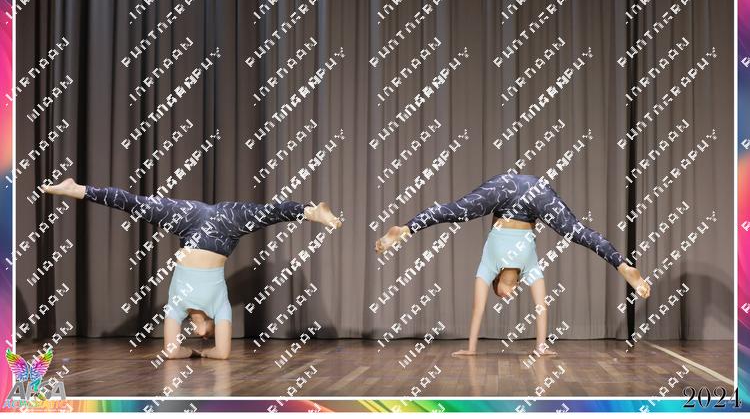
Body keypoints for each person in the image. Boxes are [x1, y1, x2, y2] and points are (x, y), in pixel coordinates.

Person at [41, 178, 342, 360]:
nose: (203, 336)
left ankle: (77, 189)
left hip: (190, 221)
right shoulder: (220, 307)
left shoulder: (177, 307)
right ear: (213, 325)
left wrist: (191, 352)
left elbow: (171, 352)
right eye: (208, 335)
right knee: (268, 214)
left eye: (203, 337)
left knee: (137, 204)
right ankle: (310, 211)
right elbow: (222, 354)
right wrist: (203, 353)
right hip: (224, 227)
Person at [374, 173, 651, 356]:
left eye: (500, 295)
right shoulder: (530, 268)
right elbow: (541, 308)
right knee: (575, 232)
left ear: (496, 282)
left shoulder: (487, 265)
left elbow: (477, 309)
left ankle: (406, 229)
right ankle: (623, 267)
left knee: (457, 211)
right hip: (534, 195)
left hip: (505, 188)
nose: (507, 297)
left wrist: (471, 348)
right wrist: (541, 347)